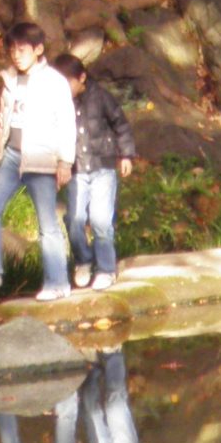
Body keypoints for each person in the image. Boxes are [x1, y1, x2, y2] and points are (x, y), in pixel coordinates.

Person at [0, 20, 77, 302]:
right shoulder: (9, 79)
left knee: (47, 224)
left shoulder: (54, 82)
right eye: (12, 49)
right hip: (12, 156)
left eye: (22, 49)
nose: (16, 54)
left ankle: (57, 282)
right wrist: (1, 153)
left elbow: (66, 123)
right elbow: (5, 120)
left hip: (41, 160)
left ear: (38, 49)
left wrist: (65, 162)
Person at [56, 54, 137, 289]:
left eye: (68, 83)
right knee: (74, 219)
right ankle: (83, 260)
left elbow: (121, 125)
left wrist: (126, 155)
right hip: (76, 170)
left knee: (101, 220)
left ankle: (106, 269)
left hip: (103, 169)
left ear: (81, 78)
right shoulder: (59, 104)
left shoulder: (101, 97)